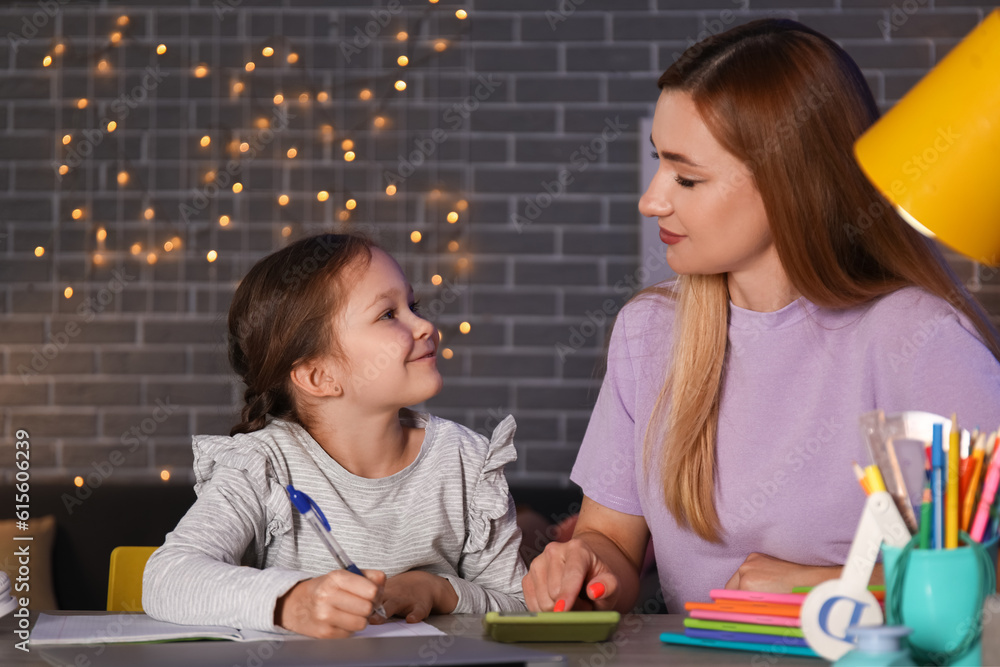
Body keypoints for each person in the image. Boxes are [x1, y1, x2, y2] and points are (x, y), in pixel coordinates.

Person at [523, 18, 1000, 614]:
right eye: (658, 164)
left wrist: (833, 586)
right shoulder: (647, 331)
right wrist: (585, 564)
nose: (652, 199)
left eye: (686, 176)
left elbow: (986, 579)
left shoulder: (916, 336)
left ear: (787, 183)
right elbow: (613, 541)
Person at [144, 233, 526, 638]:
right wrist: (294, 601)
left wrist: (439, 589)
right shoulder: (263, 465)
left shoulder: (468, 461)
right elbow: (166, 578)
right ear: (318, 376)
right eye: (387, 315)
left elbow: (519, 607)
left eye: (412, 306)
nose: (425, 325)